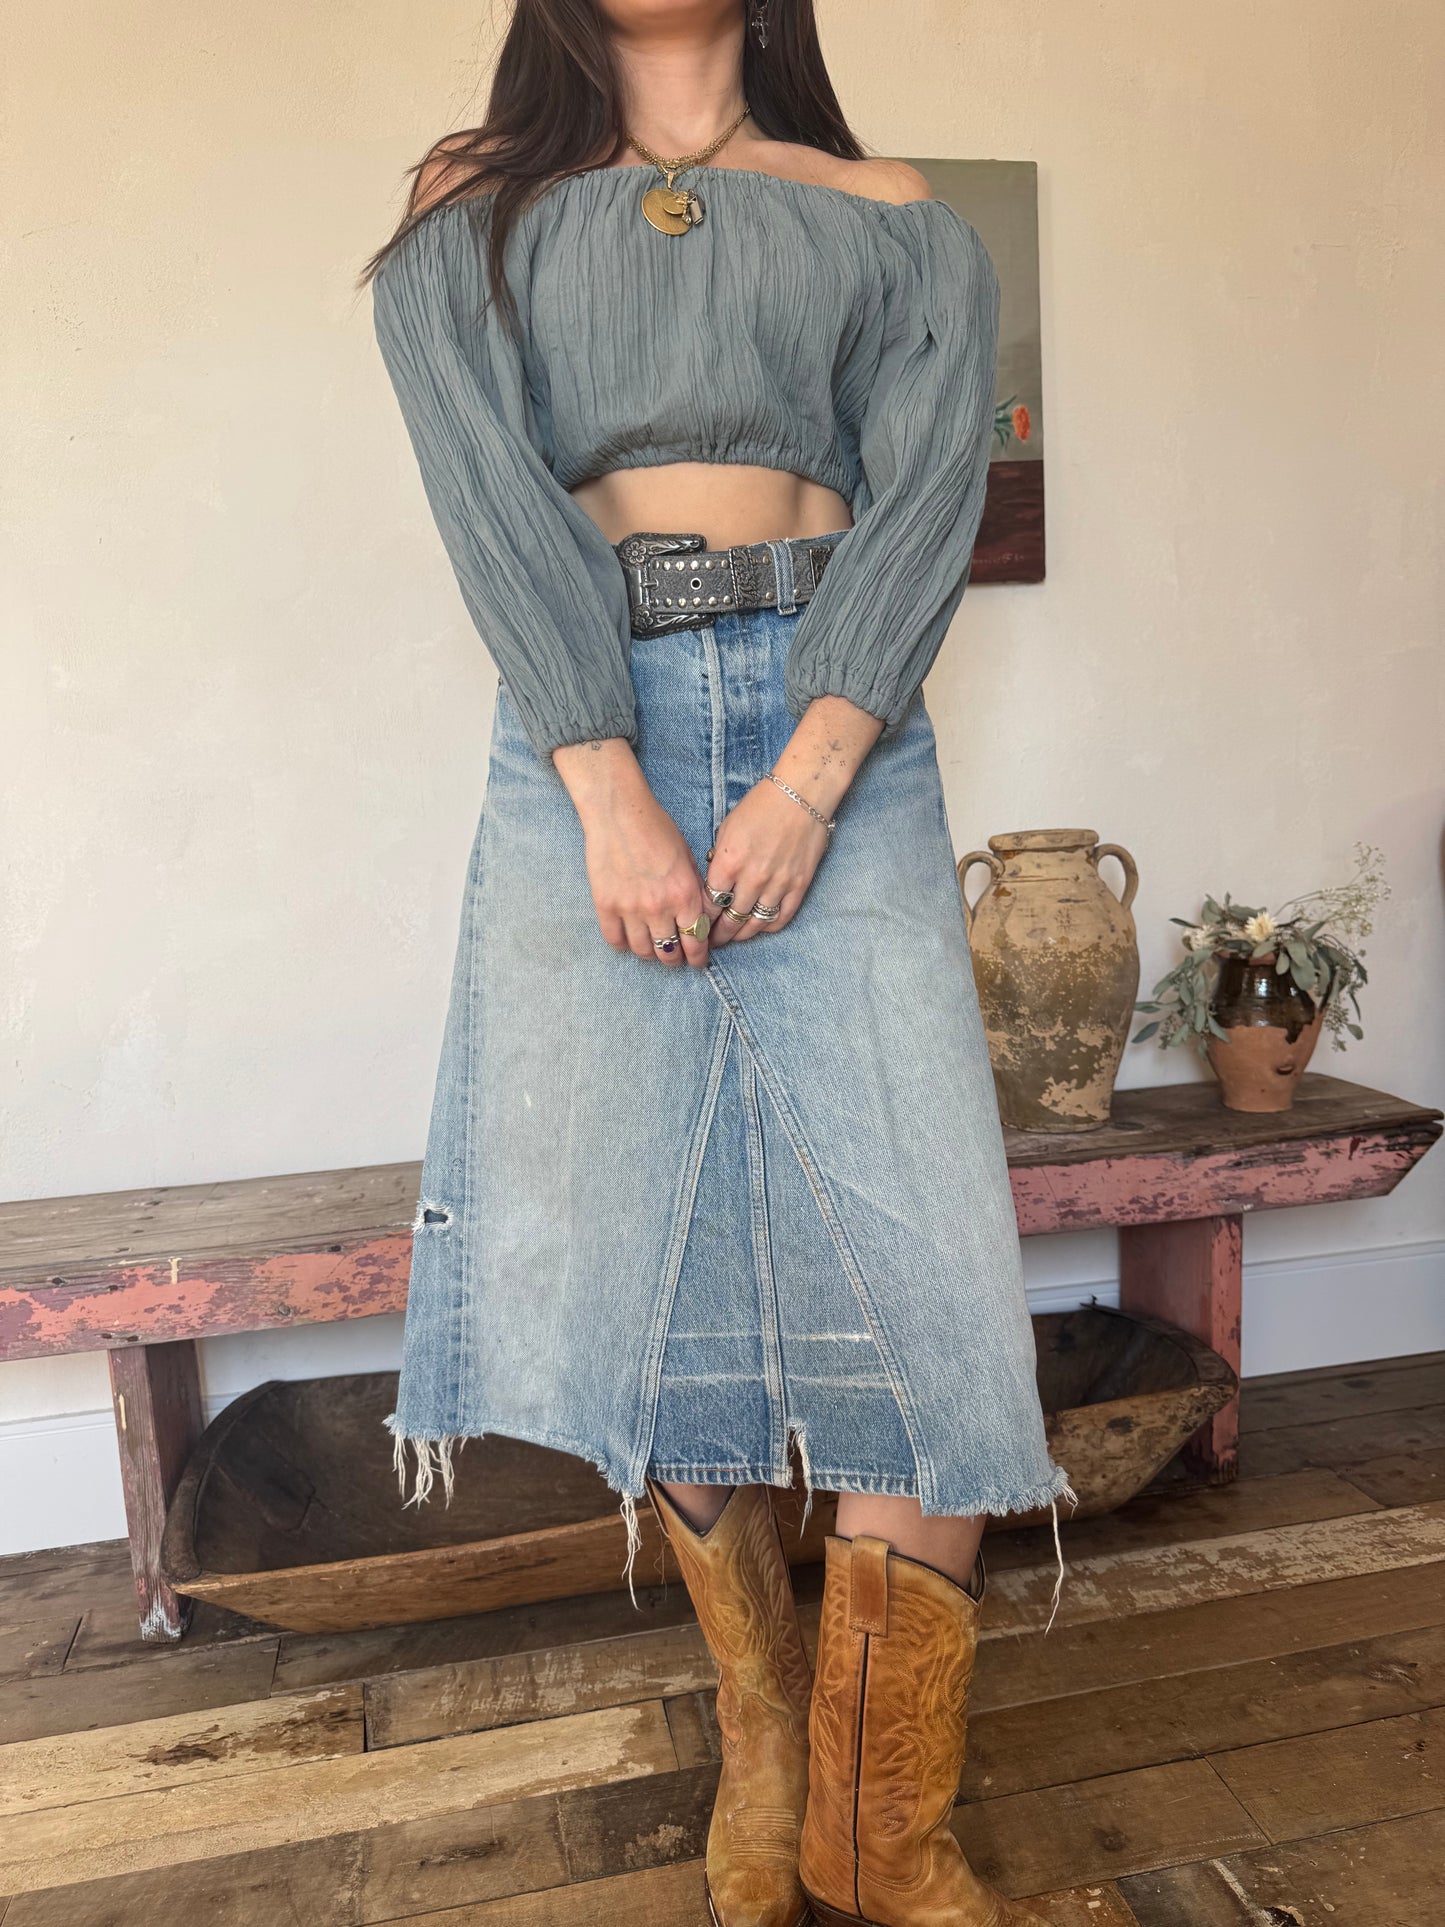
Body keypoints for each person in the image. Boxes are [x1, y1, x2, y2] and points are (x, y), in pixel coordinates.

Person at [360, 2, 1074, 1921]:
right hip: (584, 729)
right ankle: (766, 1757)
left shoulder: (884, 209)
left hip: (840, 711)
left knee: (923, 1263)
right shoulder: (475, 206)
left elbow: (925, 502)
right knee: (648, 1246)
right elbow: (489, 503)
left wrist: (815, 772)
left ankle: (879, 1824)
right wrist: (609, 788)